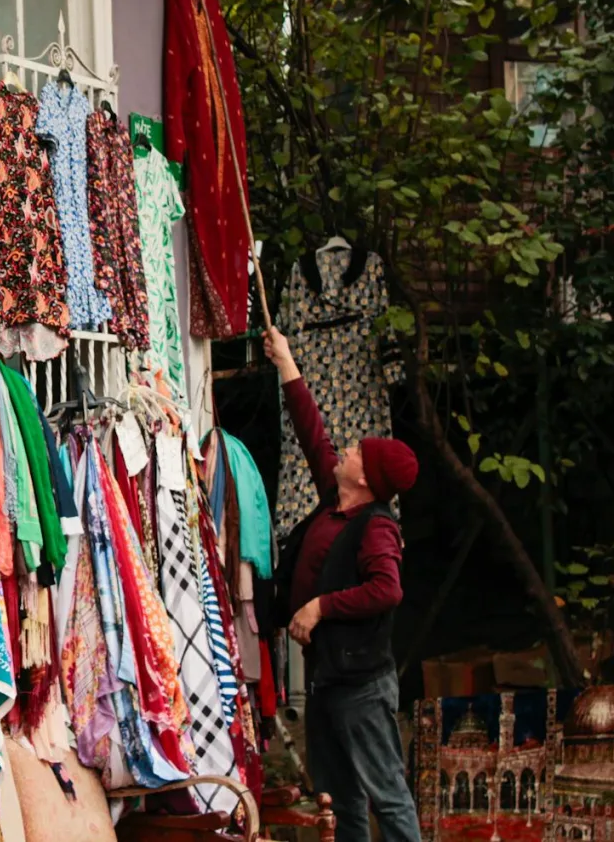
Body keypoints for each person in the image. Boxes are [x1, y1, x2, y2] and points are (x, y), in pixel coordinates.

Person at [265, 326, 421, 842]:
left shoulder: (375, 525)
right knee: (341, 798)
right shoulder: (336, 499)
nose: (346, 447)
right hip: (329, 680)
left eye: (356, 450)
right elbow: (313, 434)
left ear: (368, 479)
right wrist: (286, 363)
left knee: (387, 795)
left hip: (361, 686)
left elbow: (387, 590)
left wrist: (321, 607)